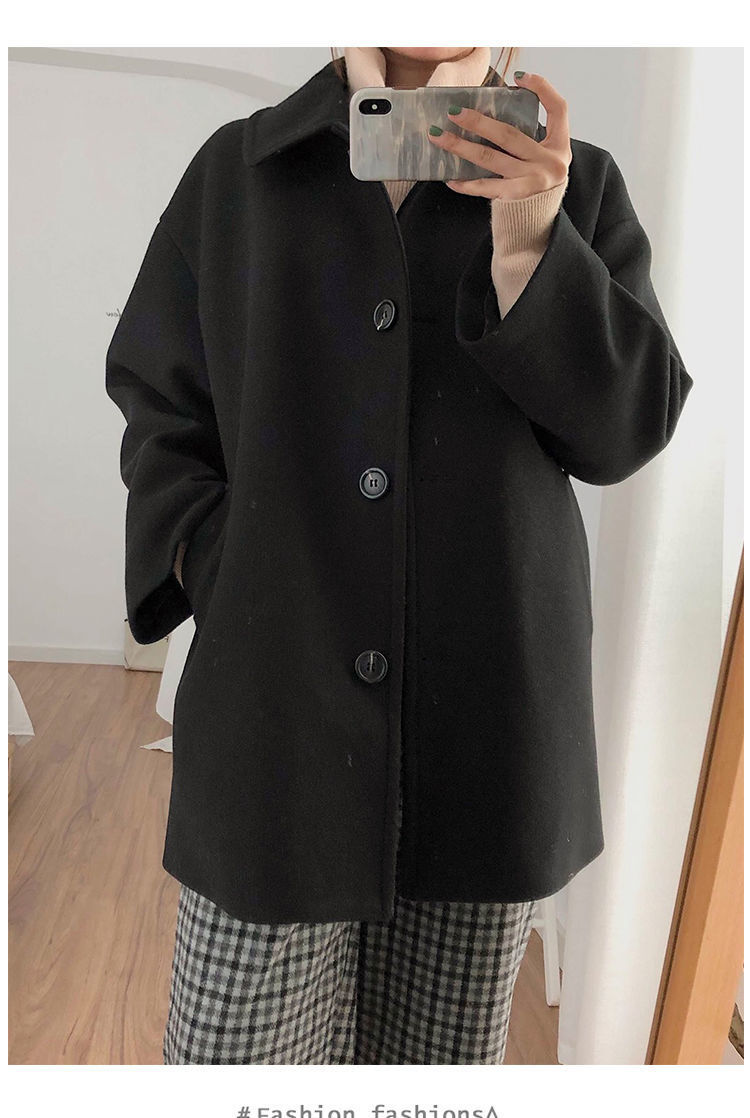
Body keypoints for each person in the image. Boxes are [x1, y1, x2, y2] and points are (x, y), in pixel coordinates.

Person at [105, 46, 693, 1064]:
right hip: (277, 713)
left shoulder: (576, 182)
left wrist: (532, 242)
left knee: (436, 1072)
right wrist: (210, 558)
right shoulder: (240, 171)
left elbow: (624, 431)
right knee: (227, 1059)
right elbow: (161, 395)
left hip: (488, 718)